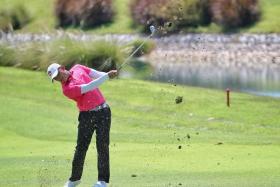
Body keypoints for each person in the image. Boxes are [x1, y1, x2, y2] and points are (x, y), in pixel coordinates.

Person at [47, 63, 118, 187]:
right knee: (81, 148)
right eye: (55, 78)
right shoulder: (67, 89)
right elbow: (89, 86)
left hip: (103, 112)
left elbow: (96, 74)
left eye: (58, 75)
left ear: (62, 68)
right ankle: (74, 179)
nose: (58, 79)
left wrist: (108, 75)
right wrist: (107, 77)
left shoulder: (78, 68)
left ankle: (102, 181)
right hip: (86, 116)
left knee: (102, 146)